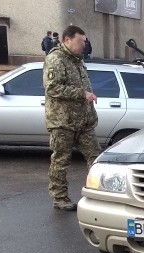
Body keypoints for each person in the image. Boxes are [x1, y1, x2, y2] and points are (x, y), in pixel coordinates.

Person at [43, 25, 100, 211]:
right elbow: (52, 88)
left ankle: (100, 194)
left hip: (83, 122)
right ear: (67, 40)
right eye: (80, 41)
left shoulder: (77, 60)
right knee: (61, 160)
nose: (84, 44)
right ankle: (59, 198)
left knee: (96, 158)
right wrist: (82, 94)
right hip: (63, 122)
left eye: (84, 41)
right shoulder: (56, 59)